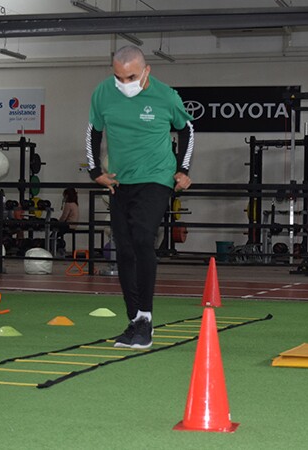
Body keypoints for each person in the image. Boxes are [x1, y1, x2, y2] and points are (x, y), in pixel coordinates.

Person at [85, 45, 194, 349]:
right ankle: (134, 319)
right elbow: (93, 131)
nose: (125, 83)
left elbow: (187, 130)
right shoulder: (103, 93)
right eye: (119, 77)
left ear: (146, 71)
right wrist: (95, 172)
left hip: (157, 177)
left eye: (131, 76)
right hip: (121, 180)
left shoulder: (165, 96)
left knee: (143, 238)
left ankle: (146, 318)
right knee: (124, 248)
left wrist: (183, 169)